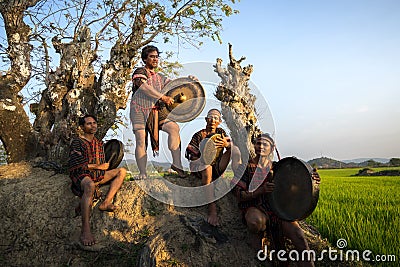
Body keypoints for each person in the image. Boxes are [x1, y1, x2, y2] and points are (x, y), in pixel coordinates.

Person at [233, 133, 320, 267]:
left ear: (272, 148)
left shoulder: (279, 168)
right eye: (257, 143)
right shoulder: (245, 167)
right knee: (256, 222)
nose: (260, 146)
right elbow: (239, 194)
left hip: (277, 209)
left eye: (265, 144)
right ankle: (260, 238)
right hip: (254, 206)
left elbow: (297, 183)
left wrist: (311, 178)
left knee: (299, 236)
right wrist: (259, 191)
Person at [130, 45, 191, 179]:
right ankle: (142, 172)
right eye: (152, 56)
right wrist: (162, 97)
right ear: (145, 58)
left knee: (173, 127)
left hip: (157, 112)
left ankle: (177, 165)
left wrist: (189, 80)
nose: (155, 59)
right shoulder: (139, 72)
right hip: (139, 110)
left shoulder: (160, 77)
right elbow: (143, 87)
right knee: (141, 140)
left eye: (157, 56)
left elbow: (175, 85)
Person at [69, 115, 126, 246]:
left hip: (98, 175)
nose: (93, 125)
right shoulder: (77, 142)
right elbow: (75, 165)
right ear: (82, 127)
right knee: (89, 185)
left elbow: (105, 164)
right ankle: (85, 229)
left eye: (94, 123)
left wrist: (102, 168)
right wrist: (98, 167)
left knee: (122, 171)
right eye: (89, 124)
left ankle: (106, 202)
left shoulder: (99, 143)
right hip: (82, 176)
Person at [185, 108, 241, 226]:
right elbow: (190, 154)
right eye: (210, 117)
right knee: (206, 167)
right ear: (206, 120)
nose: (212, 120)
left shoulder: (221, 132)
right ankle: (212, 208)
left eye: (216, 118)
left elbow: (230, 145)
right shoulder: (199, 135)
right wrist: (203, 159)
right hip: (202, 167)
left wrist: (227, 144)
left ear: (219, 121)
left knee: (235, 150)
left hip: (217, 166)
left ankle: (238, 181)